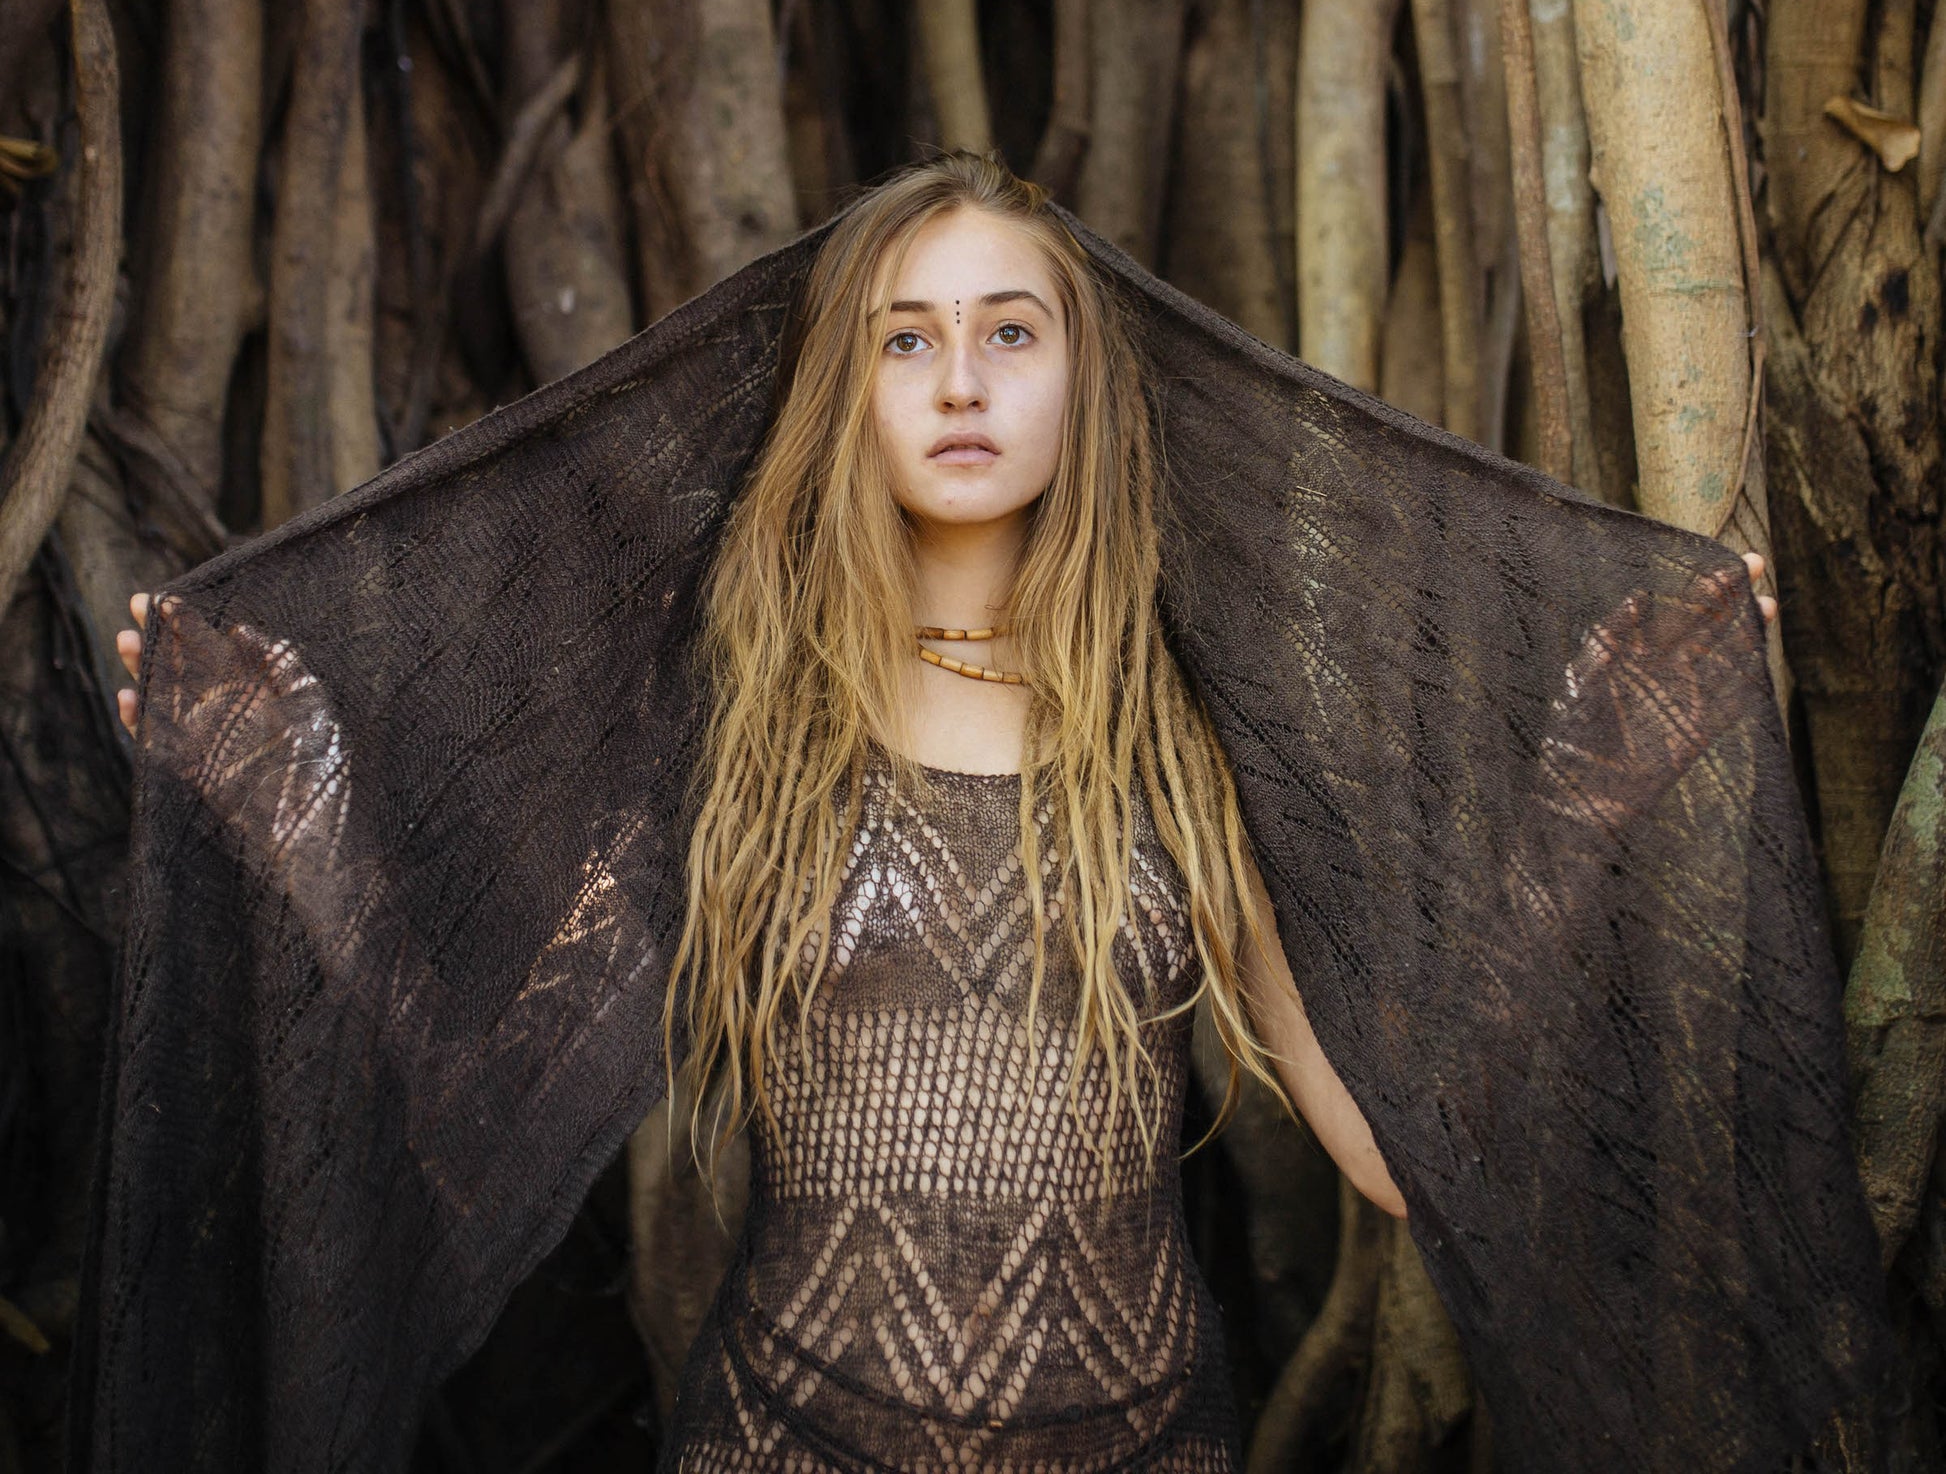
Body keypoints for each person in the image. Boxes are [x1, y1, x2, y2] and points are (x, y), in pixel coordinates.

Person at [96, 154, 1873, 1474]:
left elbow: (1403, 1145)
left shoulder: (1181, 737)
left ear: (1079, 375)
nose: (959, 381)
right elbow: (461, 1098)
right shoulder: (747, 740)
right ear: (845, 392)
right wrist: (290, 802)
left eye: (1007, 332)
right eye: (906, 339)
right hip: (780, 1443)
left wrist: (1590, 793)